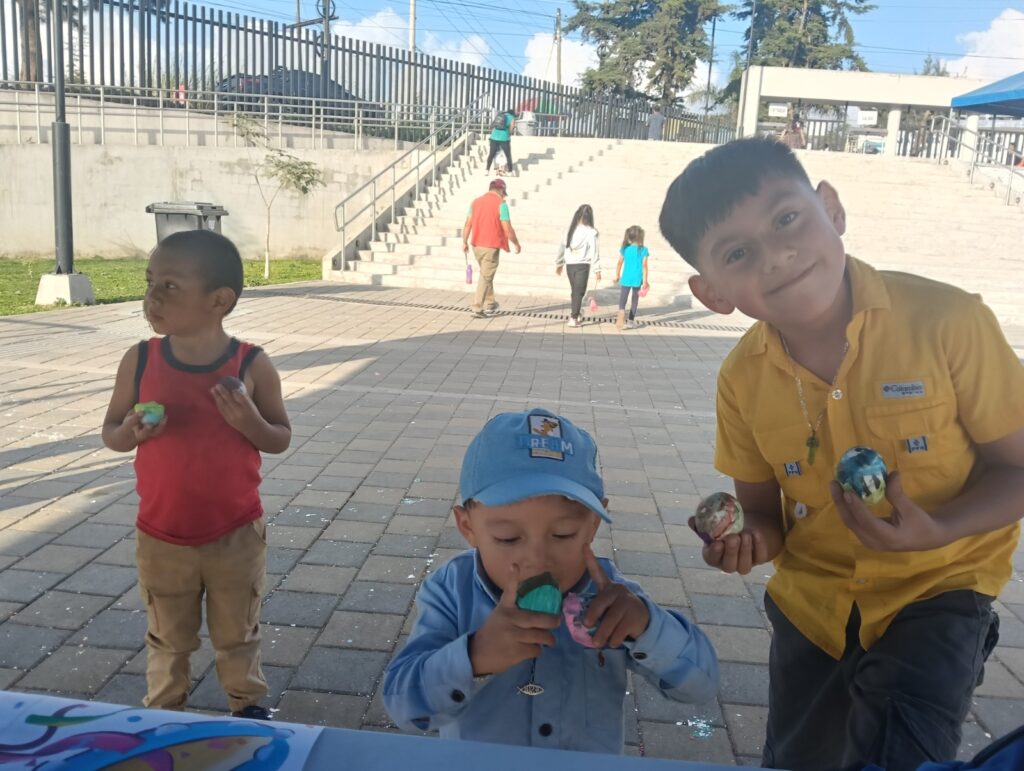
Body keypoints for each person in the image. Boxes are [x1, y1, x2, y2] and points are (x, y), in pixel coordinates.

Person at [658, 137, 1024, 771]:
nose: (777, 254)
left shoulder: (948, 322)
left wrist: (937, 529)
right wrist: (747, 544)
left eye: (787, 218)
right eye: (739, 253)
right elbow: (763, 517)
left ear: (830, 207)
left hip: (939, 592)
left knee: (896, 758)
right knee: (797, 760)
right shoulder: (740, 378)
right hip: (813, 610)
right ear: (710, 291)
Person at [382, 408, 719, 753]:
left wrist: (647, 626)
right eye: (508, 538)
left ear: (592, 526)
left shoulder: (613, 599)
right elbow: (405, 707)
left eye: (563, 534)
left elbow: (700, 686)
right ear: (468, 527)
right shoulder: (451, 592)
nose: (538, 558)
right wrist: (473, 656)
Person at [101, 230, 292, 719]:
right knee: (168, 634)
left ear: (219, 300)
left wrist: (248, 421)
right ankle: (164, 709)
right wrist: (131, 432)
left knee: (237, 631)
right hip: (162, 534)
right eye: (150, 282)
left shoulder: (251, 363)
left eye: (170, 285)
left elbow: (279, 436)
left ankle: (247, 704)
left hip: (235, 533)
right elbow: (111, 433)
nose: (152, 296)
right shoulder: (140, 359)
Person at [463, 178, 522, 319]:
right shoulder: (501, 205)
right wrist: (516, 243)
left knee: (486, 274)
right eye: (504, 192)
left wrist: (464, 242)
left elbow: (467, 224)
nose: (504, 195)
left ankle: (490, 303)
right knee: (485, 276)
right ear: (501, 190)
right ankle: (477, 307)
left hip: (476, 245)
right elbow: (507, 228)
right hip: (491, 246)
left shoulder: (475, 202)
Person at [554, 204, 601, 328]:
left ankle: (577, 313)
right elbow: (594, 251)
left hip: (570, 265)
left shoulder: (570, 230)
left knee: (576, 291)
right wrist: (597, 269)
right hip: (582, 265)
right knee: (578, 291)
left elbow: (562, 248)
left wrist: (559, 263)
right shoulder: (591, 232)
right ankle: (574, 318)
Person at [615, 225, 649, 330]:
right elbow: (644, 265)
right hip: (637, 278)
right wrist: (645, 281)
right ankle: (630, 321)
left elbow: (619, 262)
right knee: (635, 299)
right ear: (640, 237)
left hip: (625, 277)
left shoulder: (625, 248)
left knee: (623, 298)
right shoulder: (643, 249)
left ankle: (621, 311)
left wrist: (617, 275)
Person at [485, 107, 515, 175]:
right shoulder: (512, 117)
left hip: (494, 137)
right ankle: (510, 171)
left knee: (491, 154)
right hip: (504, 138)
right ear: (512, 113)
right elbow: (511, 128)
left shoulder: (500, 115)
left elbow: (493, 125)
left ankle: (487, 170)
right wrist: (509, 133)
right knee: (508, 155)